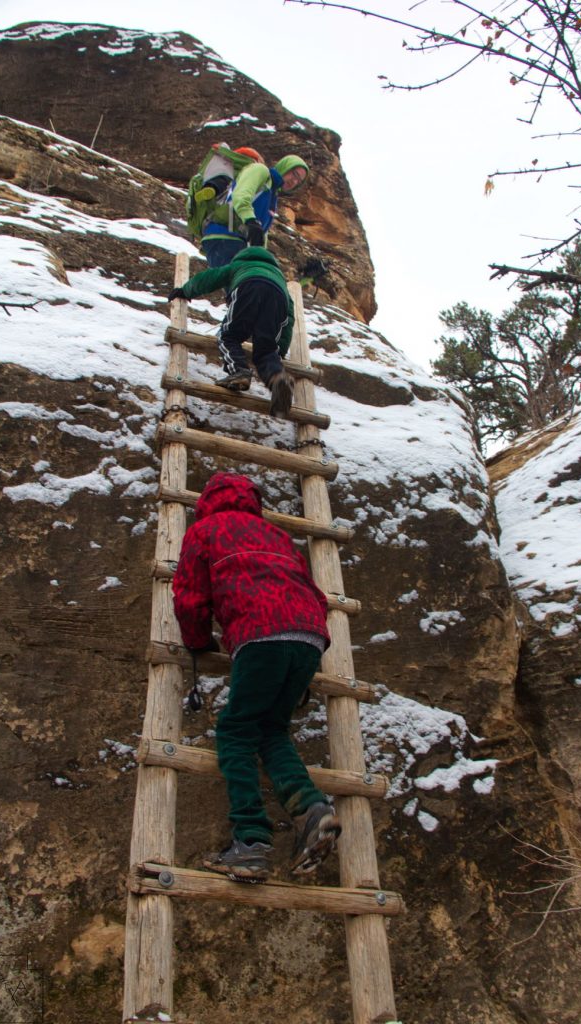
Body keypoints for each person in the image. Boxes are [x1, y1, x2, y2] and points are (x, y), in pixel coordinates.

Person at [172, 471, 341, 882]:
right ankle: (310, 810)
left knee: (235, 731)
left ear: (207, 502)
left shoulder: (205, 530)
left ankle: (250, 841)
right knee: (272, 730)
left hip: (261, 633)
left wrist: (197, 643)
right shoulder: (275, 535)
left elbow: (190, 595)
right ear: (252, 500)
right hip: (310, 636)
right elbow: (315, 594)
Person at [168, 246, 296, 418]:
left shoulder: (239, 266)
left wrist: (185, 290)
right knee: (266, 350)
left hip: (247, 286)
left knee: (229, 336)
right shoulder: (278, 276)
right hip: (278, 298)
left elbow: (209, 278)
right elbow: (289, 315)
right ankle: (277, 379)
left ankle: (239, 372)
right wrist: (280, 348)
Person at [199, 153, 309, 269]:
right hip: (224, 235)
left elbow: (261, 232)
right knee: (241, 283)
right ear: (285, 166)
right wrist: (250, 220)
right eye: (294, 173)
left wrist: (261, 253)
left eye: (299, 180)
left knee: (248, 283)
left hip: (238, 243)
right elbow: (240, 195)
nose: (294, 181)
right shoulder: (260, 171)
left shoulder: (272, 194)